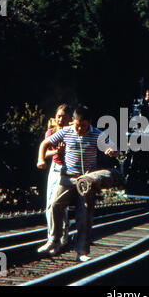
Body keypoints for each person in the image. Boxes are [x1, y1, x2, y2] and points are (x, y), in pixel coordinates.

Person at [36, 105, 118, 261]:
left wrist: (112, 151)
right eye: (77, 125)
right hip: (67, 176)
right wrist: (40, 159)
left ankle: (82, 251)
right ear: (73, 121)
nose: (80, 129)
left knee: (84, 214)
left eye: (83, 126)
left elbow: (113, 147)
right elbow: (44, 144)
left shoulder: (97, 134)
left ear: (90, 122)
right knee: (54, 204)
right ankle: (53, 239)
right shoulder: (65, 131)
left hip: (86, 179)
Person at [44, 104, 72, 246]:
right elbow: (45, 152)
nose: (60, 119)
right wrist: (56, 152)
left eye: (63, 117)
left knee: (60, 205)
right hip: (54, 168)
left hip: (67, 170)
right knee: (49, 204)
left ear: (69, 118)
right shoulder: (51, 132)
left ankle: (63, 236)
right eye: (58, 116)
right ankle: (52, 237)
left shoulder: (72, 133)